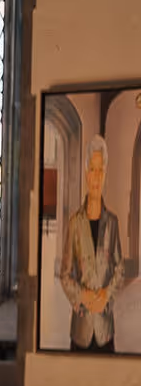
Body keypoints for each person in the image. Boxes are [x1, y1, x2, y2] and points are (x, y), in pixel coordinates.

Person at [59, 133, 126, 350]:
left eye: (100, 170)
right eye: (92, 170)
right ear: (86, 173)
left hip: (105, 329)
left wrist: (106, 294)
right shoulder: (75, 223)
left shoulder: (112, 223)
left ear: (105, 174)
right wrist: (82, 295)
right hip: (81, 328)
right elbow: (65, 275)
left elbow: (120, 269)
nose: (96, 177)